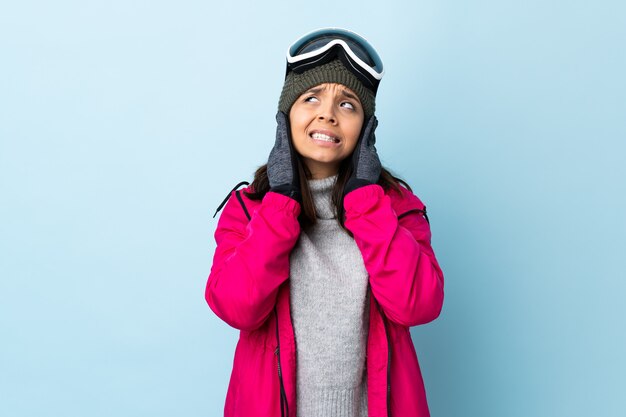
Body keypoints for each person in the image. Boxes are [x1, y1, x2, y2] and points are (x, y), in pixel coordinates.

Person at [206, 28, 444, 417]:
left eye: (348, 104)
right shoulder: (248, 210)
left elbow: (418, 304)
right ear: (285, 117)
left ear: (367, 128)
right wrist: (280, 203)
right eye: (310, 97)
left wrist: (367, 200)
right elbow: (237, 307)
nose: (327, 114)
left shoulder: (397, 209)